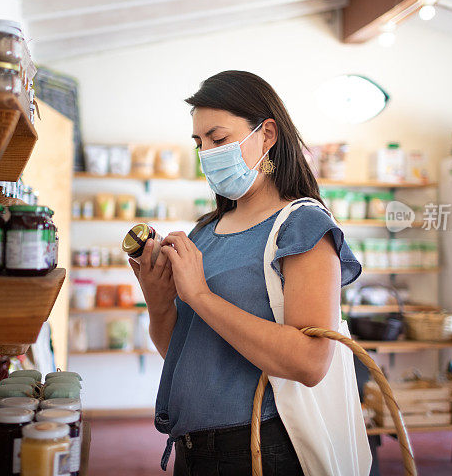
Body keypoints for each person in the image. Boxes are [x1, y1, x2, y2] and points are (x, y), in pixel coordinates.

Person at [130, 70, 362, 475]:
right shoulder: (206, 231)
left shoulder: (302, 226)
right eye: (199, 142)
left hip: (258, 447)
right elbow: (186, 354)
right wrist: (159, 299)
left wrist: (201, 295)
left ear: (267, 134)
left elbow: (311, 362)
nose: (206, 152)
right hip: (193, 448)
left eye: (218, 139)